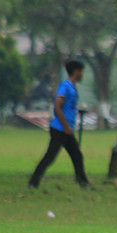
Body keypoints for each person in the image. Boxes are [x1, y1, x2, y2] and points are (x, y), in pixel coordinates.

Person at [28, 60, 92, 189]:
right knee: (50, 157)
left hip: (66, 129)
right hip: (60, 129)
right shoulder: (65, 87)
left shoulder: (72, 87)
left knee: (77, 156)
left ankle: (83, 183)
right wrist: (66, 126)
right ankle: (33, 183)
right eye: (81, 72)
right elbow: (57, 107)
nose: (82, 75)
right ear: (76, 71)